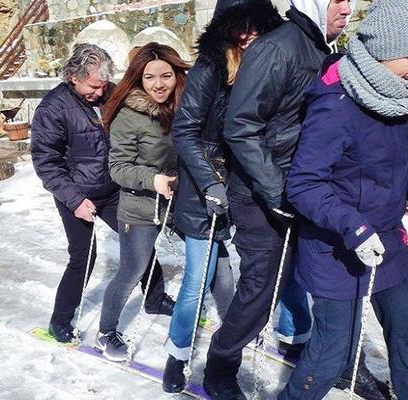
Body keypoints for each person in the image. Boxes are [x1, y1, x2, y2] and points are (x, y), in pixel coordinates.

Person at [201, 0, 392, 398]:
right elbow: (240, 126)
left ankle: (343, 364)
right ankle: (219, 367)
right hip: (264, 197)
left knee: (340, 282)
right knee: (261, 291)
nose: (347, 8)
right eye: (337, 0)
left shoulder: (325, 49)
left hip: (314, 191)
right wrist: (275, 189)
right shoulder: (278, 48)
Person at [278, 0, 408, 398]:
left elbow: (400, 155)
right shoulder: (336, 107)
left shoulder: (394, 95)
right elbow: (304, 184)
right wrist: (354, 227)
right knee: (331, 353)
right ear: (384, 53)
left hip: (386, 239)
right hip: (336, 248)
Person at [164, 0, 284, 393]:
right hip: (208, 188)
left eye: (256, 26)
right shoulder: (211, 66)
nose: (248, 35)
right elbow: (184, 131)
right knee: (198, 280)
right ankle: (177, 355)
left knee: (262, 276)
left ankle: (292, 339)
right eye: (239, 27)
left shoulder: (265, 63)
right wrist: (212, 183)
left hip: (249, 186)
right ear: (225, 29)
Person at [30, 44, 173, 344]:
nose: (100, 91)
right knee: (83, 256)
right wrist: (74, 200)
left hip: (112, 188)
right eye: (94, 86)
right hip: (76, 194)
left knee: (141, 242)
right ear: (73, 76)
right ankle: (60, 321)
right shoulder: (52, 108)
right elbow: (46, 161)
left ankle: (155, 299)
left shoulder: (111, 94)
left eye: (104, 85)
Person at [91, 43, 189, 361]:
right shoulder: (128, 115)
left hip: (176, 203)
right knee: (132, 271)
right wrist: (154, 180)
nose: (158, 84)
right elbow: (118, 168)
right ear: (138, 79)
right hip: (139, 207)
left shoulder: (183, 106)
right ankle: (105, 333)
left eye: (165, 75)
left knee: (212, 256)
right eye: (149, 78)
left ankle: (155, 301)